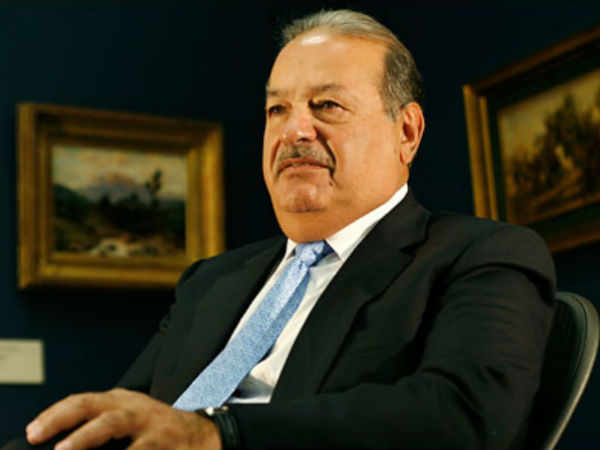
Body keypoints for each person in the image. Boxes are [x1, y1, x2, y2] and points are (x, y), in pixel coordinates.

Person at [7, 9, 555, 450]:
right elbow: (124, 421)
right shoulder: (210, 281)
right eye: (276, 110)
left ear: (406, 132)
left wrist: (217, 435)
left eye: (326, 105)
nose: (294, 131)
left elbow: (466, 416)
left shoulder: (481, 255)